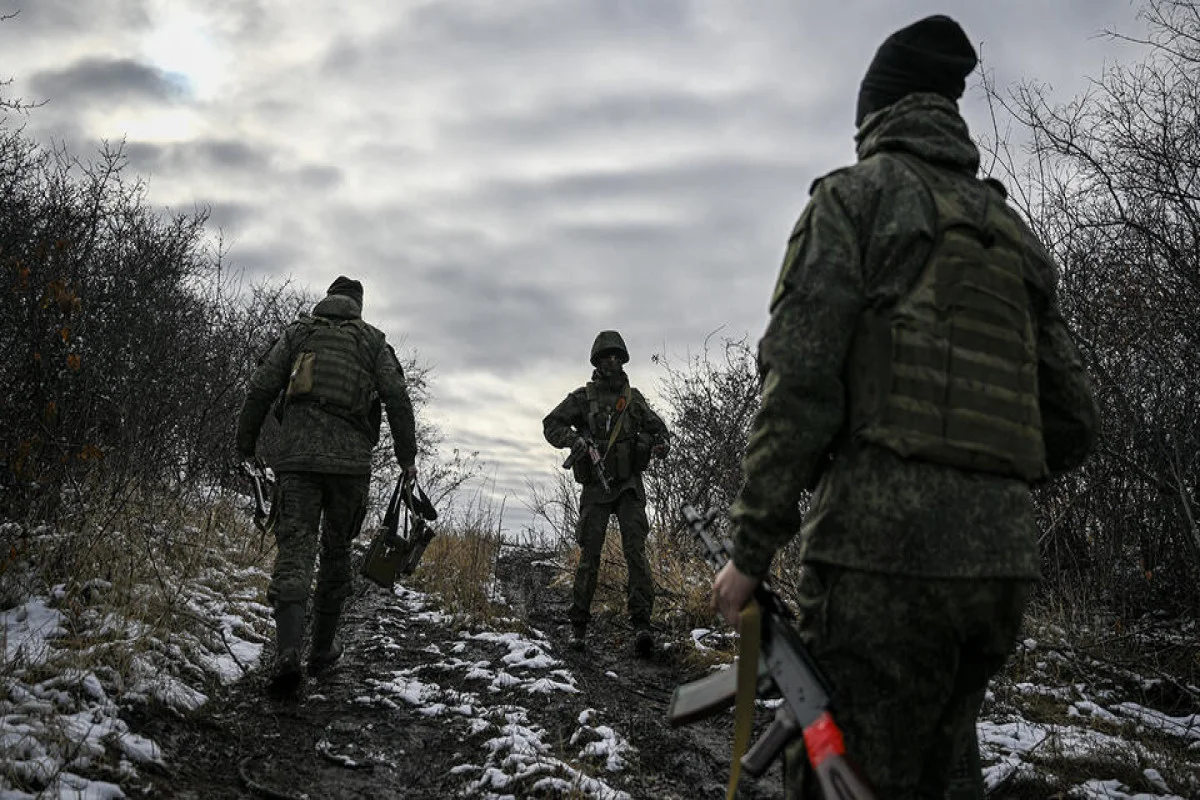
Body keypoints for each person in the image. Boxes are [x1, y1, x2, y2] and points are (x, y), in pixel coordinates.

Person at [710, 15, 1100, 798]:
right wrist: (977, 478)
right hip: (998, 571)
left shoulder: (854, 202)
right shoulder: (1013, 239)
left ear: (875, 116)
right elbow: (1072, 423)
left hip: (878, 566)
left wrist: (750, 552)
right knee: (941, 766)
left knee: (841, 772)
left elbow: (798, 387)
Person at [236, 276, 417, 697]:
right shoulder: (373, 342)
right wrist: (408, 460)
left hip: (297, 460)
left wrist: (245, 445)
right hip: (349, 468)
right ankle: (320, 651)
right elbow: (398, 400)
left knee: (295, 546)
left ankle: (286, 653)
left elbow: (262, 388)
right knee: (336, 551)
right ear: (357, 305)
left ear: (327, 300)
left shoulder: (299, 333)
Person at [543, 331, 670, 656]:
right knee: (589, 557)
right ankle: (579, 628)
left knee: (636, 553)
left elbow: (661, 431)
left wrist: (656, 445)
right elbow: (551, 424)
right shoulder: (582, 398)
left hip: (628, 486)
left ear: (623, 360)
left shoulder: (634, 399)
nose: (611, 362)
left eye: (616, 356)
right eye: (605, 357)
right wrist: (575, 442)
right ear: (596, 361)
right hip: (596, 489)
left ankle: (642, 625)